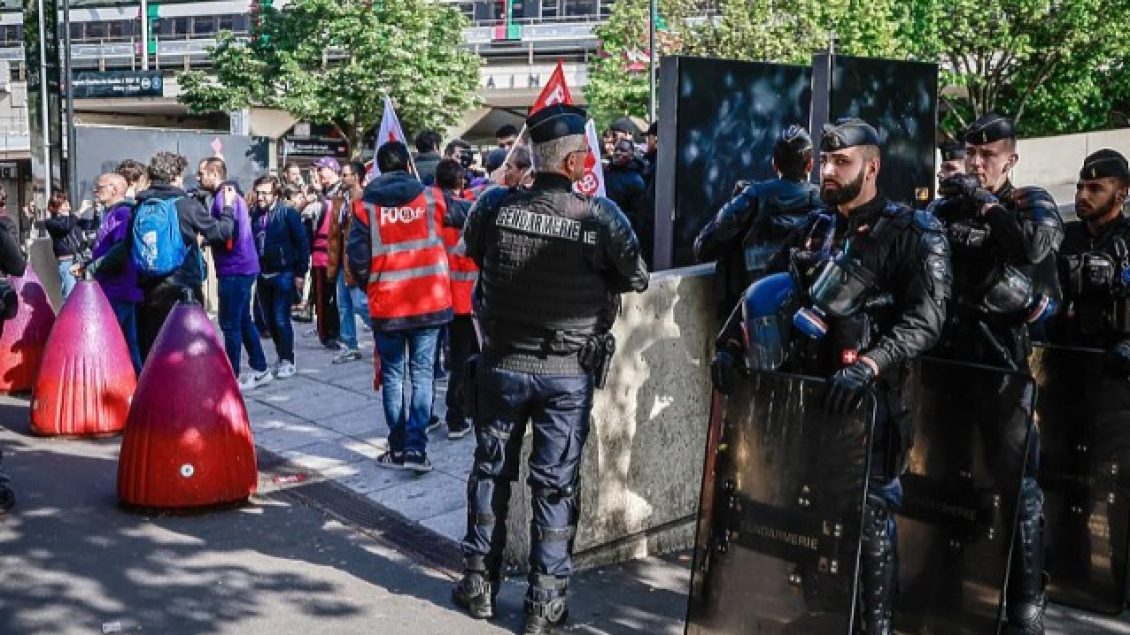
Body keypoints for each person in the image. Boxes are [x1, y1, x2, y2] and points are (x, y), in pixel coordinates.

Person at [745, 118, 949, 634]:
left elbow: (925, 322)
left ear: (872, 166)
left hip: (873, 406)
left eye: (843, 162)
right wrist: (733, 344)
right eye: (827, 162)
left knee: (871, 519)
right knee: (814, 518)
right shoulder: (818, 225)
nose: (829, 171)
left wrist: (871, 365)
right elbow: (774, 287)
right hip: (810, 400)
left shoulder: (914, 233)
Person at [451, 104, 649, 634]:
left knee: (491, 471)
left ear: (533, 157)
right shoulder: (602, 216)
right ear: (580, 160)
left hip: (501, 365)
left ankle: (478, 585)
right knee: (555, 487)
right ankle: (545, 605)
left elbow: (465, 251)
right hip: (566, 373)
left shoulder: (493, 205)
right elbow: (637, 277)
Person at [931, 113, 1064, 634]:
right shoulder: (949, 204)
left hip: (1002, 361)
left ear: (1010, 160)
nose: (978, 164)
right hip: (948, 357)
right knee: (943, 471)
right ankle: (944, 582)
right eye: (973, 155)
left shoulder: (1028, 203)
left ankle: (1025, 598)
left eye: (989, 157)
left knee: (1016, 482)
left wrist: (986, 203)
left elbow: (1032, 248)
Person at [347, 141, 453, 473]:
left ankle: (396, 448)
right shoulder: (432, 198)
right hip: (429, 303)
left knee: (393, 376)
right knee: (422, 376)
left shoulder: (364, 208)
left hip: (388, 306)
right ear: (409, 165)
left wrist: (374, 284)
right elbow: (466, 217)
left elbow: (357, 258)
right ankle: (416, 450)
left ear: (378, 168)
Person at [86, 152, 235, 361]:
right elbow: (222, 233)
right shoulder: (185, 205)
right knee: (187, 353)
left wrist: (92, 267)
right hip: (184, 290)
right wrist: (228, 207)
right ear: (175, 176)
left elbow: (126, 247)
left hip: (149, 290)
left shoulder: (140, 206)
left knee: (154, 351)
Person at [694, 125, 821, 321]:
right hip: (808, 312)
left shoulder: (752, 196)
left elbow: (703, 247)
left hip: (752, 310)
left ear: (774, 164)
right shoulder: (828, 204)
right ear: (810, 165)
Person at [197, 158, 270, 390]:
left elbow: (229, 234)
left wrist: (207, 237)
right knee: (242, 319)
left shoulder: (223, 199)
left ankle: (232, 376)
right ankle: (260, 368)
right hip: (243, 267)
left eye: (202, 174)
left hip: (235, 269)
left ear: (214, 173)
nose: (199, 179)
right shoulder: (229, 195)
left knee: (230, 324)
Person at [251, 175, 310, 379]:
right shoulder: (255, 215)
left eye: (265, 193)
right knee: (268, 319)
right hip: (262, 273)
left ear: (275, 194)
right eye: (258, 192)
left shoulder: (288, 213)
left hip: (284, 272)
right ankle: (280, 354)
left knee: (280, 317)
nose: (260, 197)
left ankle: (288, 359)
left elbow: (302, 243)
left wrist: (301, 273)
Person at [435, 159, 477, 439]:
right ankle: (457, 414)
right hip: (467, 298)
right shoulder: (472, 210)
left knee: (433, 361)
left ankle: (429, 415)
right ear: (460, 182)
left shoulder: (431, 212)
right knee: (463, 358)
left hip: (437, 295)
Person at [87, 173, 143, 375]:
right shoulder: (110, 213)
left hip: (120, 289)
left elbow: (121, 250)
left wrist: (92, 268)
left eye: (100, 186)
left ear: (114, 189)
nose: (96, 191)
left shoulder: (123, 214)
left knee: (116, 342)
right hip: (112, 289)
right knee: (128, 344)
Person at [328, 160, 373, 364]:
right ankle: (350, 345)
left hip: (356, 260)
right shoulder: (340, 200)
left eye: (346, 174)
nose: (342, 178)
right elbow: (334, 235)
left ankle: (385, 330)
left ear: (356, 177)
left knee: (361, 303)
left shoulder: (365, 199)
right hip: (341, 261)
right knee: (343, 305)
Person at [310, 157, 342, 349]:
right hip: (321, 255)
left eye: (321, 169)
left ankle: (337, 332)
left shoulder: (338, 192)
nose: (318, 174)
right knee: (323, 298)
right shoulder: (319, 193)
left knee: (338, 299)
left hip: (337, 253)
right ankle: (327, 334)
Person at [604, 139, 651, 265]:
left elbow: (639, 215)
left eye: (623, 150)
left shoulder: (636, 180)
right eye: (616, 149)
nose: (618, 153)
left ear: (631, 154)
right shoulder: (605, 173)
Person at [44, 191, 94, 301]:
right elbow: (65, 227)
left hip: (79, 260)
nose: (68, 207)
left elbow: (91, 224)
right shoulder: (51, 222)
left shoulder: (72, 219)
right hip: (67, 261)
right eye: (65, 205)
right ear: (56, 208)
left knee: (83, 292)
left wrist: (97, 212)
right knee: (70, 293)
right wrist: (80, 211)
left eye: (68, 204)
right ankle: (67, 317)